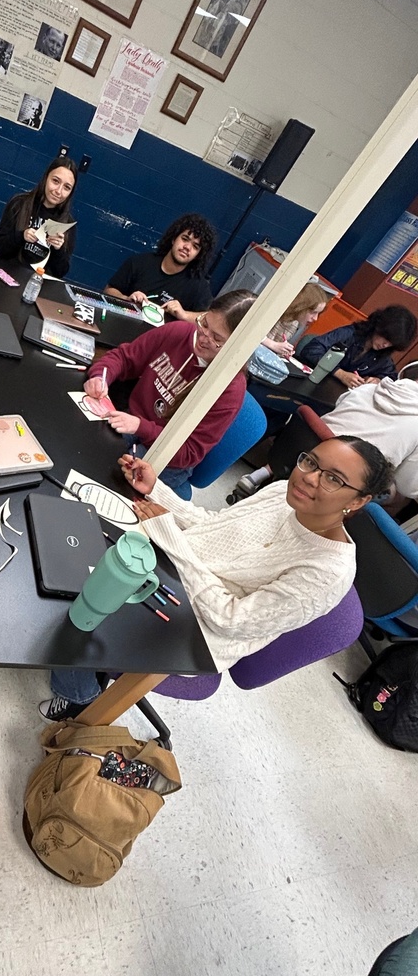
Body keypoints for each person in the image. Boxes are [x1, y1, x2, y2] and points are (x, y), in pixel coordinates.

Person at [39, 436, 392, 719]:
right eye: (311, 462)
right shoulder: (284, 493)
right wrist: (157, 491)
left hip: (201, 633)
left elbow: (230, 620)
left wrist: (172, 540)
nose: (309, 477)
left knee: (83, 604)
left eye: (333, 479)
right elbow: (215, 527)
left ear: (358, 501)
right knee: (71, 555)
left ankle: (78, 696)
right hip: (175, 572)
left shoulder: (326, 574)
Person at [82, 289, 257, 490]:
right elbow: (124, 357)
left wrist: (141, 426)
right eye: (204, 324)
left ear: (237, 346)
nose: (203, 337)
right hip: (133, 424)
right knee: (86, 440)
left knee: (101, 476)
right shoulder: (179, 332)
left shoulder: (229, 390)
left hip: (168, 458)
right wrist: (101, 376)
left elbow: (189, 452)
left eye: (217, 338)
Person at [242, 361, 418, 500]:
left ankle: (264, 474)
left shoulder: (367, 389)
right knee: (392, 494)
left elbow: (340, 405)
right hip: (338, 478)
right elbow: (407, 485)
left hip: (304, 449)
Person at [104, 213, 217, 319]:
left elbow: (208, 319)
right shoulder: (140, 262)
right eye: (185, 239)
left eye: (195, 246)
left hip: (162, 339)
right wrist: (126, 299)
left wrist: (184, 314)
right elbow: (108, 290)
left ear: (198, 255)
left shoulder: (198, 286)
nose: (187, 247)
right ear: (174, 239)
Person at [0, 156, 78, 278]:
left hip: (38, 282)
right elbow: (0, 249)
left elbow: (60, 272)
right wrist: (22, 236)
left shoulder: (67, 223)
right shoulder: (19, 204)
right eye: (55, 181)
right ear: (46, 178)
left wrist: (58, 249)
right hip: (9, 274)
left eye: (67, 187)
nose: (58, 191)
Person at [297, 304, 417, 388]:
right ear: (379, 327)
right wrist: (340, 373)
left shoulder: (383, 355)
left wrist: (378, 380)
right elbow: (311, 349)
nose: (386, 345)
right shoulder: (349, 334)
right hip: (309, 382)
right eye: (386, 338)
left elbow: (391, 377)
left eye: (392, 343)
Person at [259, 281, 333, 359]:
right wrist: (273, 345)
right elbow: (251, 332)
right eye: (313, 312)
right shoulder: (275, 311)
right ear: (301, 306)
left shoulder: (293, 323)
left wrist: (283, 351)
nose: (315, 318)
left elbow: (273, 349)